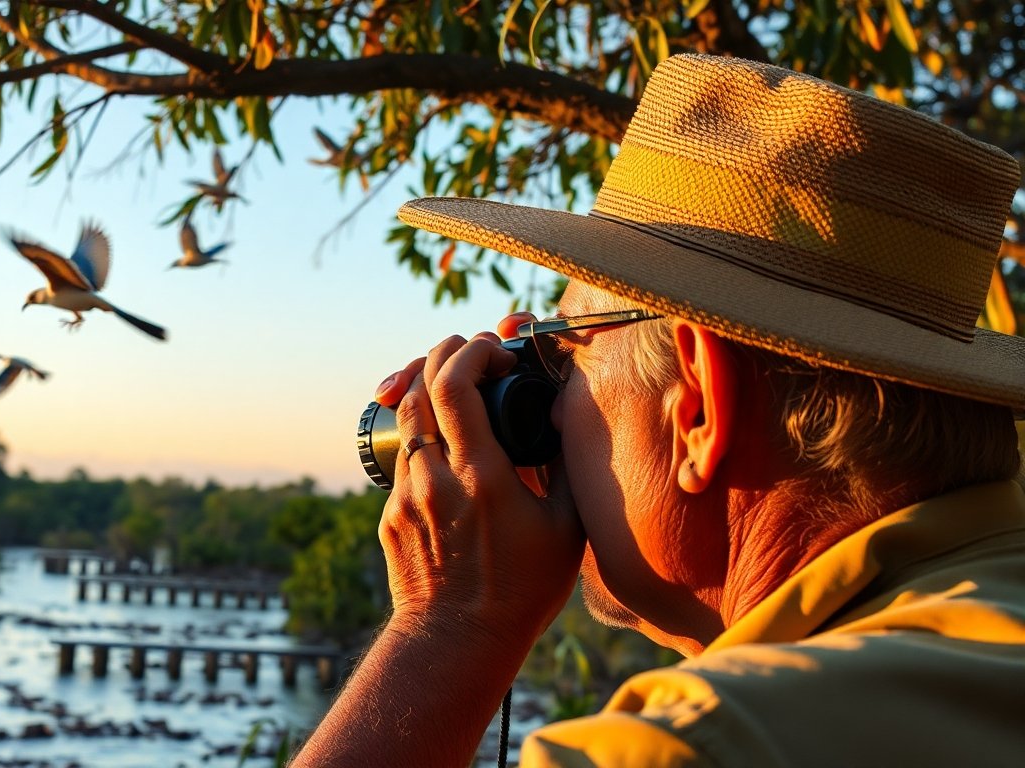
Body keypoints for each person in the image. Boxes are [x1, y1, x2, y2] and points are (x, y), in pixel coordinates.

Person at [291, 53, 1025, 767]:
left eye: (567, 355)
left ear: (698, 407)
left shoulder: (691, 746)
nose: (546, 406)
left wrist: (445, 630)